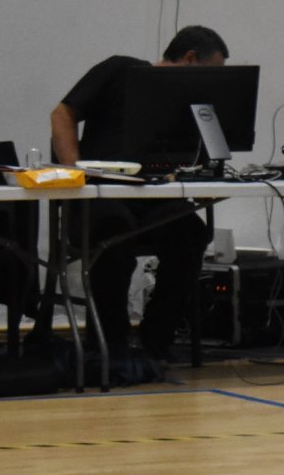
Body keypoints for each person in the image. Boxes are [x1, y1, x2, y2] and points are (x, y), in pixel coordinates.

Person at [48, 26, 227, 367]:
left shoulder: (186, 103)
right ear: (189, 59)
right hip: (97, 197)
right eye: (210, 72)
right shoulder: (120, 70)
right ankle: (111, 343)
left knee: (190, 231)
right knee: (114, 226)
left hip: (150, 198)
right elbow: (62, 114)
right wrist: (75, 174)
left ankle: (157, 338)